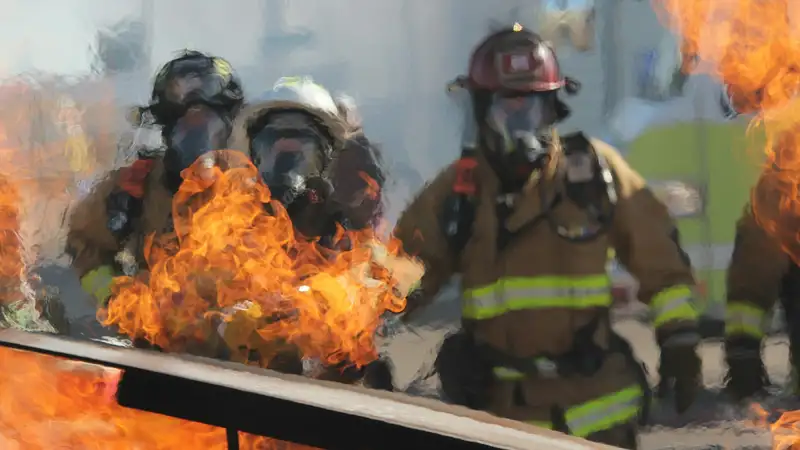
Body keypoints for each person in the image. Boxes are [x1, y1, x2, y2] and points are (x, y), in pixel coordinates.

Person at [390, 24, 701, 448]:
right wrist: (354, 330)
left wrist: (679, 340)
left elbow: (662, 263)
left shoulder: (594, 174)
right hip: (500, 418)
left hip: (598, 412)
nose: (521, 126)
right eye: (508, 109)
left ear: (553, 108)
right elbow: (400, 275)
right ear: (482, 111)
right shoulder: (459, 192)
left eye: (532, 109)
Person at [67, 50, 245, 352]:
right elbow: (84, 247)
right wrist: (118, 298)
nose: (196, 133)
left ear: (227, 123)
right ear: (164, 125)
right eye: (183, 120)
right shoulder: (134, 185)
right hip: (151, 351)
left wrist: (251, 321)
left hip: (232, 363)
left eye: (205, 121)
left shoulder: (251, 194)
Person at [222, 76, 391, 386]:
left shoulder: (346, 233)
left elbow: (372, 292)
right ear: (255, 157)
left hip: (322, 410)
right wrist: (220, 325)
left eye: (301, 153)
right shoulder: (226, 225)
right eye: (275, 150)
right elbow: (190, 300)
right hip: (239, 402)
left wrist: (308, 306)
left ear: (326, 160)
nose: (287, 167)